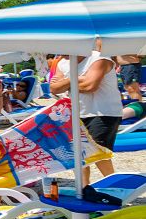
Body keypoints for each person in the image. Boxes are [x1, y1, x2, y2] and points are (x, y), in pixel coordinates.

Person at [52, 50, 123, 185]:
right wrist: (74, 79)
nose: (60, 52)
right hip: (77, 113)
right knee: (78, 153)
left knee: (98, 153)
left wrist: (66, 83)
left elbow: (90, 86)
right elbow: (54, 88)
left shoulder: (99, 58)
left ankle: (116, 185)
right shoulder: (63, 63)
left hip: (102, 112)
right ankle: (83, 187)